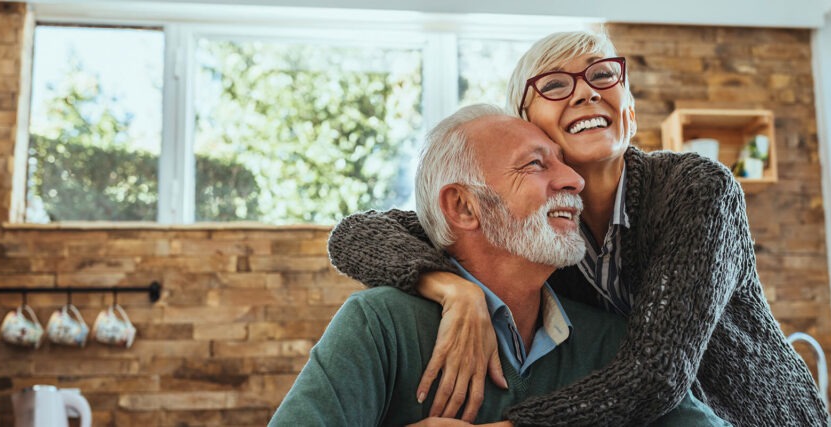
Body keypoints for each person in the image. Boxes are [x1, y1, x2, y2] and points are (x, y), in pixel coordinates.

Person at [326, 31, 829, 426]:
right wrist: (455, 290)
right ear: (525, 121)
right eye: (555, 85)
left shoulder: (696, 190)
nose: (587, 92)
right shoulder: (536, 233)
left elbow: (656, 374)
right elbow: (355, 235)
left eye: (603, 76)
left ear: (628, 110)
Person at [269, 104, 729, 426]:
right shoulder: (380, 327)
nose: (573, 179)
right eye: (535, 164)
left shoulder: (610, 342)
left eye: (563, 163)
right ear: (465, 208)